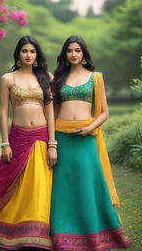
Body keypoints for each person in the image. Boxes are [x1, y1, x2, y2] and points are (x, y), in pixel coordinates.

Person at [50, 35, 131, 251]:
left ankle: (95, 230)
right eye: (70, 50)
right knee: (64, 187)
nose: (74, 54)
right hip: (62, 137)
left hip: (87, 137)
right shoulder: (58, 78)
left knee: (89, 184)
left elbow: (105, 112)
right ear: (65, 55)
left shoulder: (96, 77)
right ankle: (62, 232)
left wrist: (90, 128)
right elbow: (52, 113)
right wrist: (52, 142)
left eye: (77, 50)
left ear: (84, 54)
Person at [0, 35, 56, 250]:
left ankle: (37, 233)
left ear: (37, 55)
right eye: (24, 51)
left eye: (32, 51)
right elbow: (4, 113)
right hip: (18, 137)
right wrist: (5, 143)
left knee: (39, 186)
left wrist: (52, 144)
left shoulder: (46, 77)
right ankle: (11, 227)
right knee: (12, 183)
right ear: (18, 55)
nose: (29, 55)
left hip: (41, 138)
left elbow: (50, 113)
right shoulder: (8, 79)